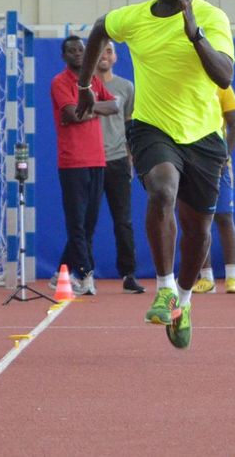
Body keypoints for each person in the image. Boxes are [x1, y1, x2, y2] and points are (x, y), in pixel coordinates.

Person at [75, 0, 234, 349]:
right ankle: (163, 287)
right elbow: (98, 29)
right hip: (152, 126)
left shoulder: (212, 19)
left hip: (202, 134)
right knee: (162, 189)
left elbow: (225, 76)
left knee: (198, 232)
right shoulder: (134, 18)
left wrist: (194, 34)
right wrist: (83, 86)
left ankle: (182, 302)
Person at [51, 35, 118, 296]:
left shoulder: (94, 81)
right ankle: (87, 274)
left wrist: (89, 108)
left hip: (97, 159)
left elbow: (114, 105)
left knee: (89, 223)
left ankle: (61, 273)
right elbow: (71, 114)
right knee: (76, 223)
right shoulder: (60, 82)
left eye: (81, 49)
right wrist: (90, 110)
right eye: (72, 51)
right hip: (73, 161)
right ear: (64, 56)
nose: (78, 53)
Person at [94, 40, 146, 294]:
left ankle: (128, 274)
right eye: (100, 50)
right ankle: (81, 273)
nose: (104, 55)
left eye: (109, 51)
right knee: (84, 221)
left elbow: (130, 127)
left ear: (115, 57)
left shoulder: (126, 87)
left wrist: (130, 158)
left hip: (116, 161)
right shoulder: (83, 86)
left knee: (123, 221)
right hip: (88, 161)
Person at [193, 84, 235, 294]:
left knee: (224, 217)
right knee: (197, 220)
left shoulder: (221, 86)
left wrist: (225, 155)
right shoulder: (182, 82)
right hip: (191, 161)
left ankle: (231, 277)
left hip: (218, 163)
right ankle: (206, 277)